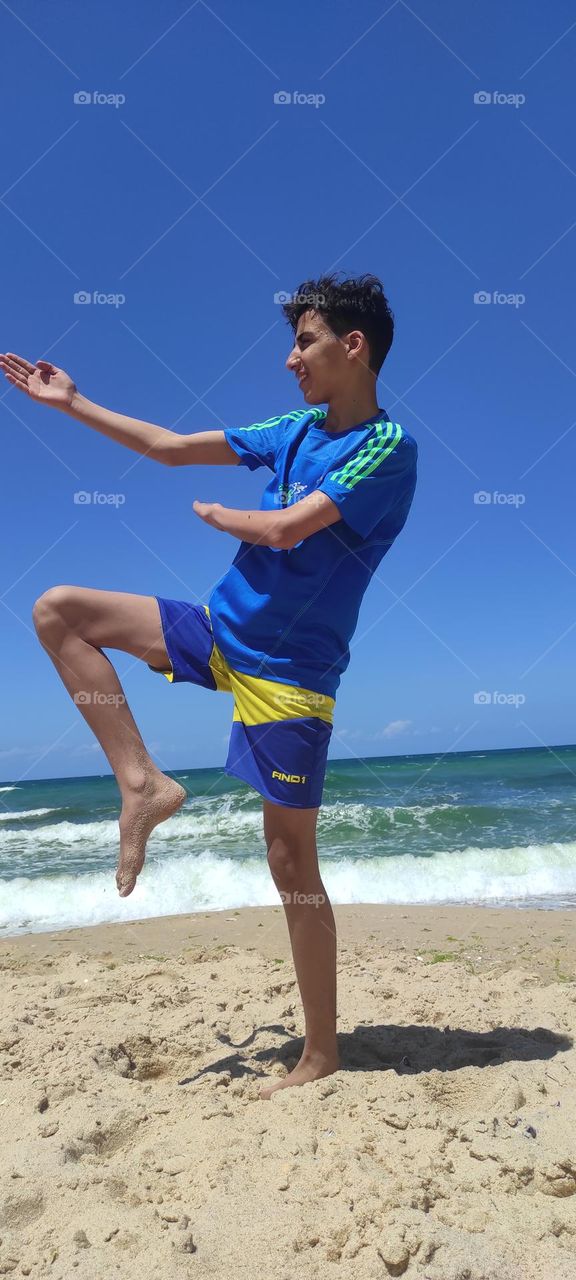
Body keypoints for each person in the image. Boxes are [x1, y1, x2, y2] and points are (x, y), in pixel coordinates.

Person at [0, 272, 417, 1097]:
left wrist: (231, 521)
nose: (290, 356)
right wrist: (72, 403)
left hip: (292, 676)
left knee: (288, 859)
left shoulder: (386, 447)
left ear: (353, 345)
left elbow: (292, 529)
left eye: (304, 340)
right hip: (223, 632)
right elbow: (167, 446)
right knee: (59, 612)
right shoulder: (293, 428)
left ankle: (322, 1054)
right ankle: (142, 782)